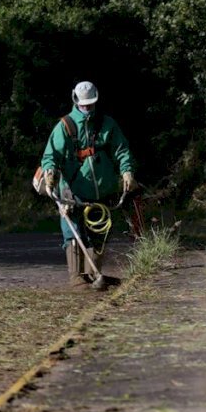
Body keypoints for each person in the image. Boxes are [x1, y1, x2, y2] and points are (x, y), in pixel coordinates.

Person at [39, 81, 137, 288]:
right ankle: (77, 278)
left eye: (90, 104)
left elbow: (122, 150)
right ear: (75, 100)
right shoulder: (64, 126)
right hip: (73, 190)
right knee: (72, 230)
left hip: (104, 189)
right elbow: (51, 156)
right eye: (84, 104)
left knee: (100, 232)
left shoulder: (107, 124)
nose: (87, 108)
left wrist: (127, 171)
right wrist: (50, 174)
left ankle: (93, 275)